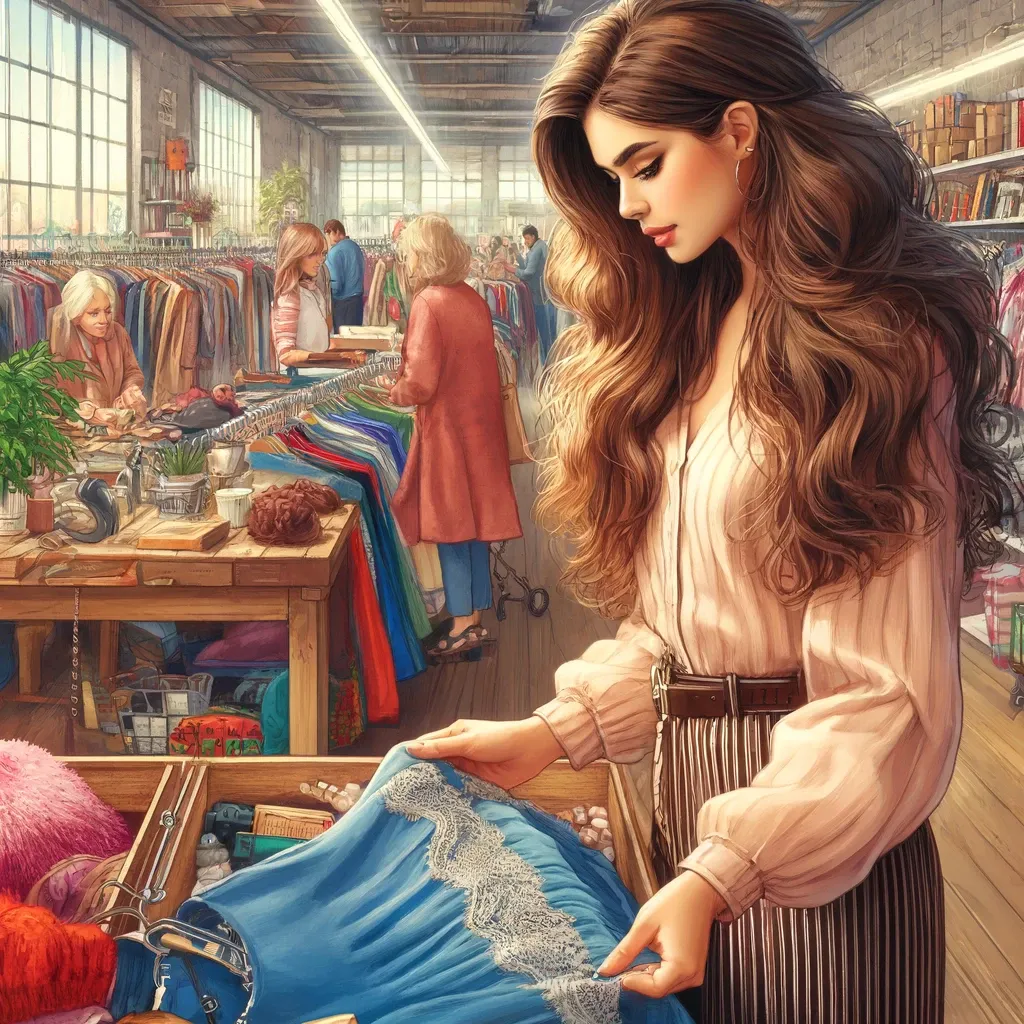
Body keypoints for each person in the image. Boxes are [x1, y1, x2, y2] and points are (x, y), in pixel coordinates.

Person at [407, 1, 1016, 1021]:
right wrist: (555, 731)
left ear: (739, 130)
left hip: (825, 840)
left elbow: (887, 696)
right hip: (681, 805)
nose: (630, 203)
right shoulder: (692, 322)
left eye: (645, 164)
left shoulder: (874, 348)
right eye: (610, 180)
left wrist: (728, 862)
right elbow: (673, 628)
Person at [389, 214, 523, 659]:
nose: (405, 260)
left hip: (447, 431)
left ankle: (461, 623)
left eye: (409, 251)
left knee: (450, 527)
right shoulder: (472, 297)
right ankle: (475, 619)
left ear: (424, 254)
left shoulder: (428, 302)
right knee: (476, 526)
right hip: (480, 428)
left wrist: (392, 390)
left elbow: (422, 383)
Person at [49, 270, 147, 419]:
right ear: (76, 313)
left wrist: (130, 390)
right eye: (94, 313)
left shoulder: (118, 333)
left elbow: (132, 371)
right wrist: (88, 412)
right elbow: (50, 397)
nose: (104, 320)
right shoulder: (60, 340)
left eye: (107, 311)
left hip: (116, 426)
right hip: (76, 432)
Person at [271, 222, 332, 369]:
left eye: (322, 253)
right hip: (302, 380)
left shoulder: (314, 291)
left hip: (318, 375)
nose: (320, 260)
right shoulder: (290, 297)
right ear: (296, 255)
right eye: (312, 254)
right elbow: (285, 354)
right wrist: (329, 359)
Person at [515, 225, 555, 361]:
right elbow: (527, 267)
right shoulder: (536, 247)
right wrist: (517, 257)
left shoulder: (538, 248)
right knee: (545, 330)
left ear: (533, 236)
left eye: (527, 238)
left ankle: (546, 361)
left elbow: (528, 272)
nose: (525, 241)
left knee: (544, 331)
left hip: (540, 296)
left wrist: (512, 269)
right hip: (541, 295)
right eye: (524, 239)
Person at [324, 219, 366, 329]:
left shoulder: (334, 252)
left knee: (343, 341)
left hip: (343, 304)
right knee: (355, 340)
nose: (327, 237)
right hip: (357, 301)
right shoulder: (355, 247)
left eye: (329, 233)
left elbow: (336, 284)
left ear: (338, 232)